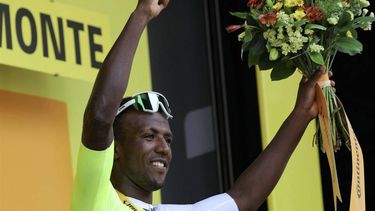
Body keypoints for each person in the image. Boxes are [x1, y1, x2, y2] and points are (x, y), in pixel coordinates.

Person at [71, 0, 333, 210]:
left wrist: (302, 113)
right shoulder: (96, 200)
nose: (163, 148)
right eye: (149, 136)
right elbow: (100, 115)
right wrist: (142, 14)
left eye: (168, 139)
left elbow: (244, 198)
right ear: (115, 149)